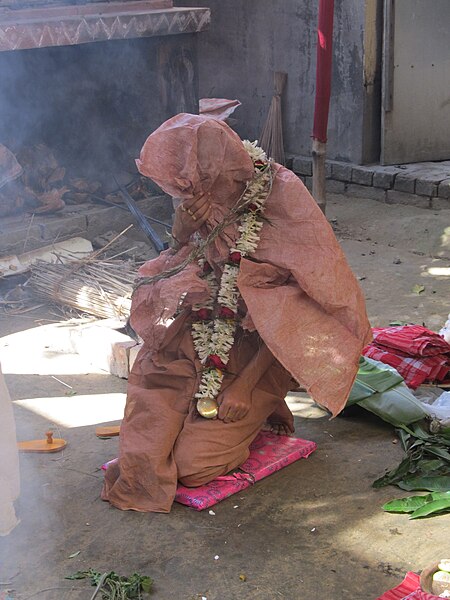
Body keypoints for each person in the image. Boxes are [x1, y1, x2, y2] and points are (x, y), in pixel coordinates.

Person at [102, 113, 371, 513]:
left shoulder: (280, 195)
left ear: (214, 169)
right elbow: (172, 273)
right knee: (144, 454)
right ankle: (230, 416)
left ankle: (263, 402)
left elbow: (300, 314)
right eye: (178, 187)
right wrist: (181, 232)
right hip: (199, 330)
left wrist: (245, 386)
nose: (184, 193)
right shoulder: (198, 204)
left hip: (261, 349)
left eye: (189, 184)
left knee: (192, 468)